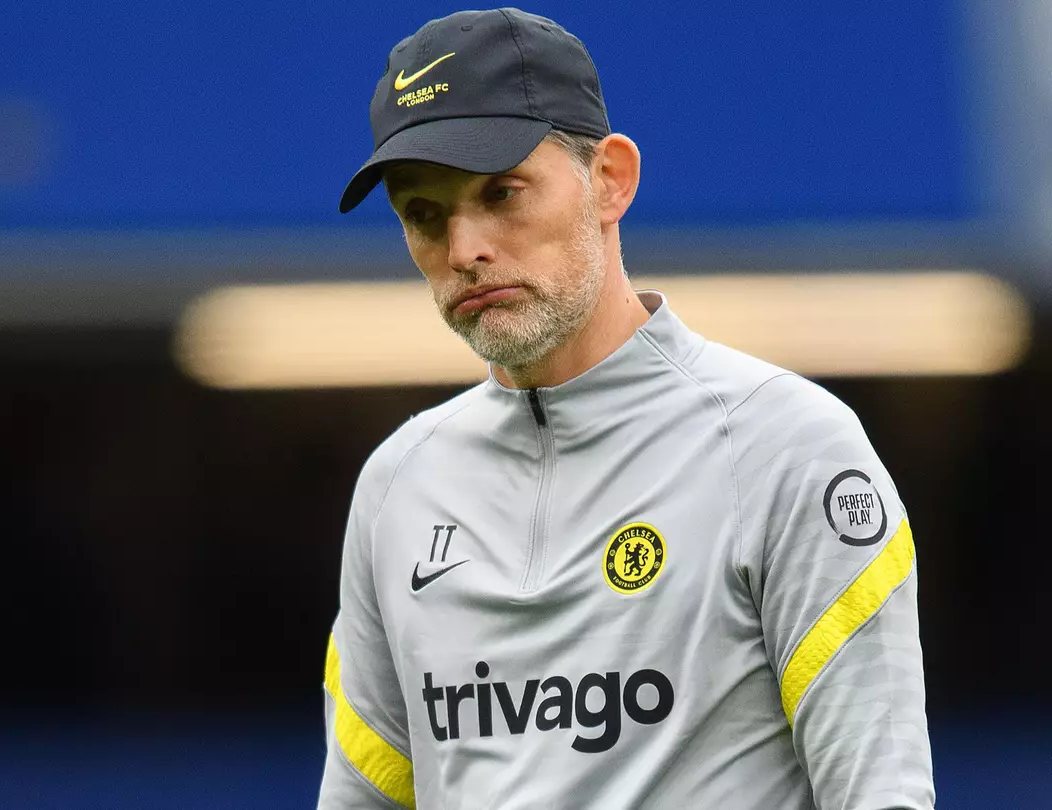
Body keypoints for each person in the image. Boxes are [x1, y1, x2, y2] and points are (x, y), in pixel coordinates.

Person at [318, 8, 935, 809]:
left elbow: (881, 794)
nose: (464, 248)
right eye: (424, 214)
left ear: (609, 179)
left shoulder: (787, 446)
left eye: (502, 192)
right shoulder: (397, 485)